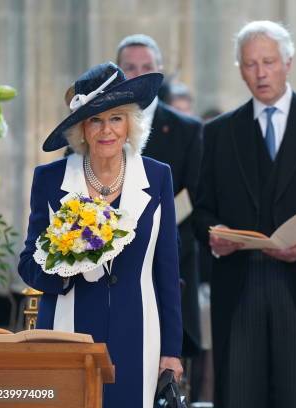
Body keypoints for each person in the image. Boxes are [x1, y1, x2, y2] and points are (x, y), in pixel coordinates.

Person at [192, 20, 296, 408]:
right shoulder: (218, 132)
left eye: (268, 61)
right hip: (239, 286)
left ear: (288, 62)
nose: (260, 73)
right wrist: (215, 237)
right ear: (241, 69)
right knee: (240, 394)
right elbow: (200, 211)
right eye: (250, 64)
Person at [18, 62, 183, 408]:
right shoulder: (50, 179)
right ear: (82, 129)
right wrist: (64, 259)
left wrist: (172, 351)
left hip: (139, 334)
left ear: (130, 124)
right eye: (95, 119)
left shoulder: (157, 177)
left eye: (116, 118)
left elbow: (167, 271)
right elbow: (28, 264)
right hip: (67, 333)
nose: (106, 130)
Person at [117, 34, 203, 359]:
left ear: (160, 71)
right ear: (118, 73)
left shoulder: (188, 129)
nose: (139, 75)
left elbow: (195, 198)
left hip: (170, 263)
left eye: (147, 67)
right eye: (130, 68)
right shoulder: (97, 126)